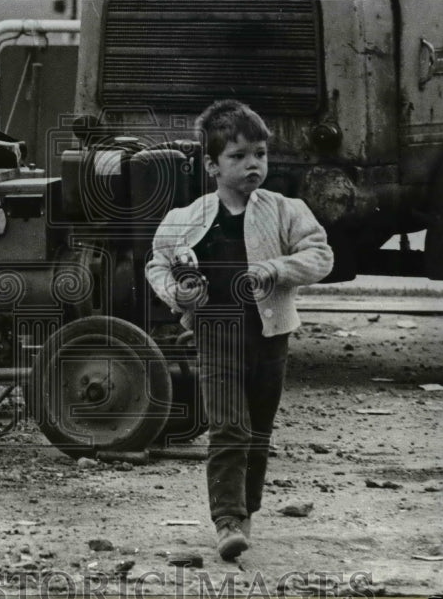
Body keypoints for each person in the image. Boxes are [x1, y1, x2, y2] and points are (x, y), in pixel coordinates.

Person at [146, 100, 333, 561]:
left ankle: (246, 510)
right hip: (216, 335)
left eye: (261, 154)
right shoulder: (187, 219)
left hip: (270, 335)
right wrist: (177, 294)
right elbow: (158, 263)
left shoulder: (286, 211)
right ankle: (226, 520)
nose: (253, 164)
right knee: (229, 426)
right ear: (211, 165)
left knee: (259, 432)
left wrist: (278, 268)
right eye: (238, 156)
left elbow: (320, 256)